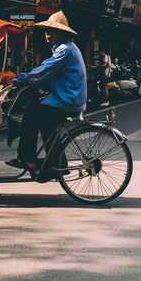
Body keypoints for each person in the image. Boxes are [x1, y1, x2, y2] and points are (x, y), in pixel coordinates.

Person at [7, 11, 86, 173]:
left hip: (67, 99)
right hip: (68, 97)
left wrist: (22, 79)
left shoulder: (65, 50)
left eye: (52, 31)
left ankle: (27, 159)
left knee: (31, 116)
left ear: (62, 32)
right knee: (46, 124)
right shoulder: (66, 47)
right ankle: (58, 163)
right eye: (46, 31)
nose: (47, 34)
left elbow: (46, 69)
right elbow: (50, 74)